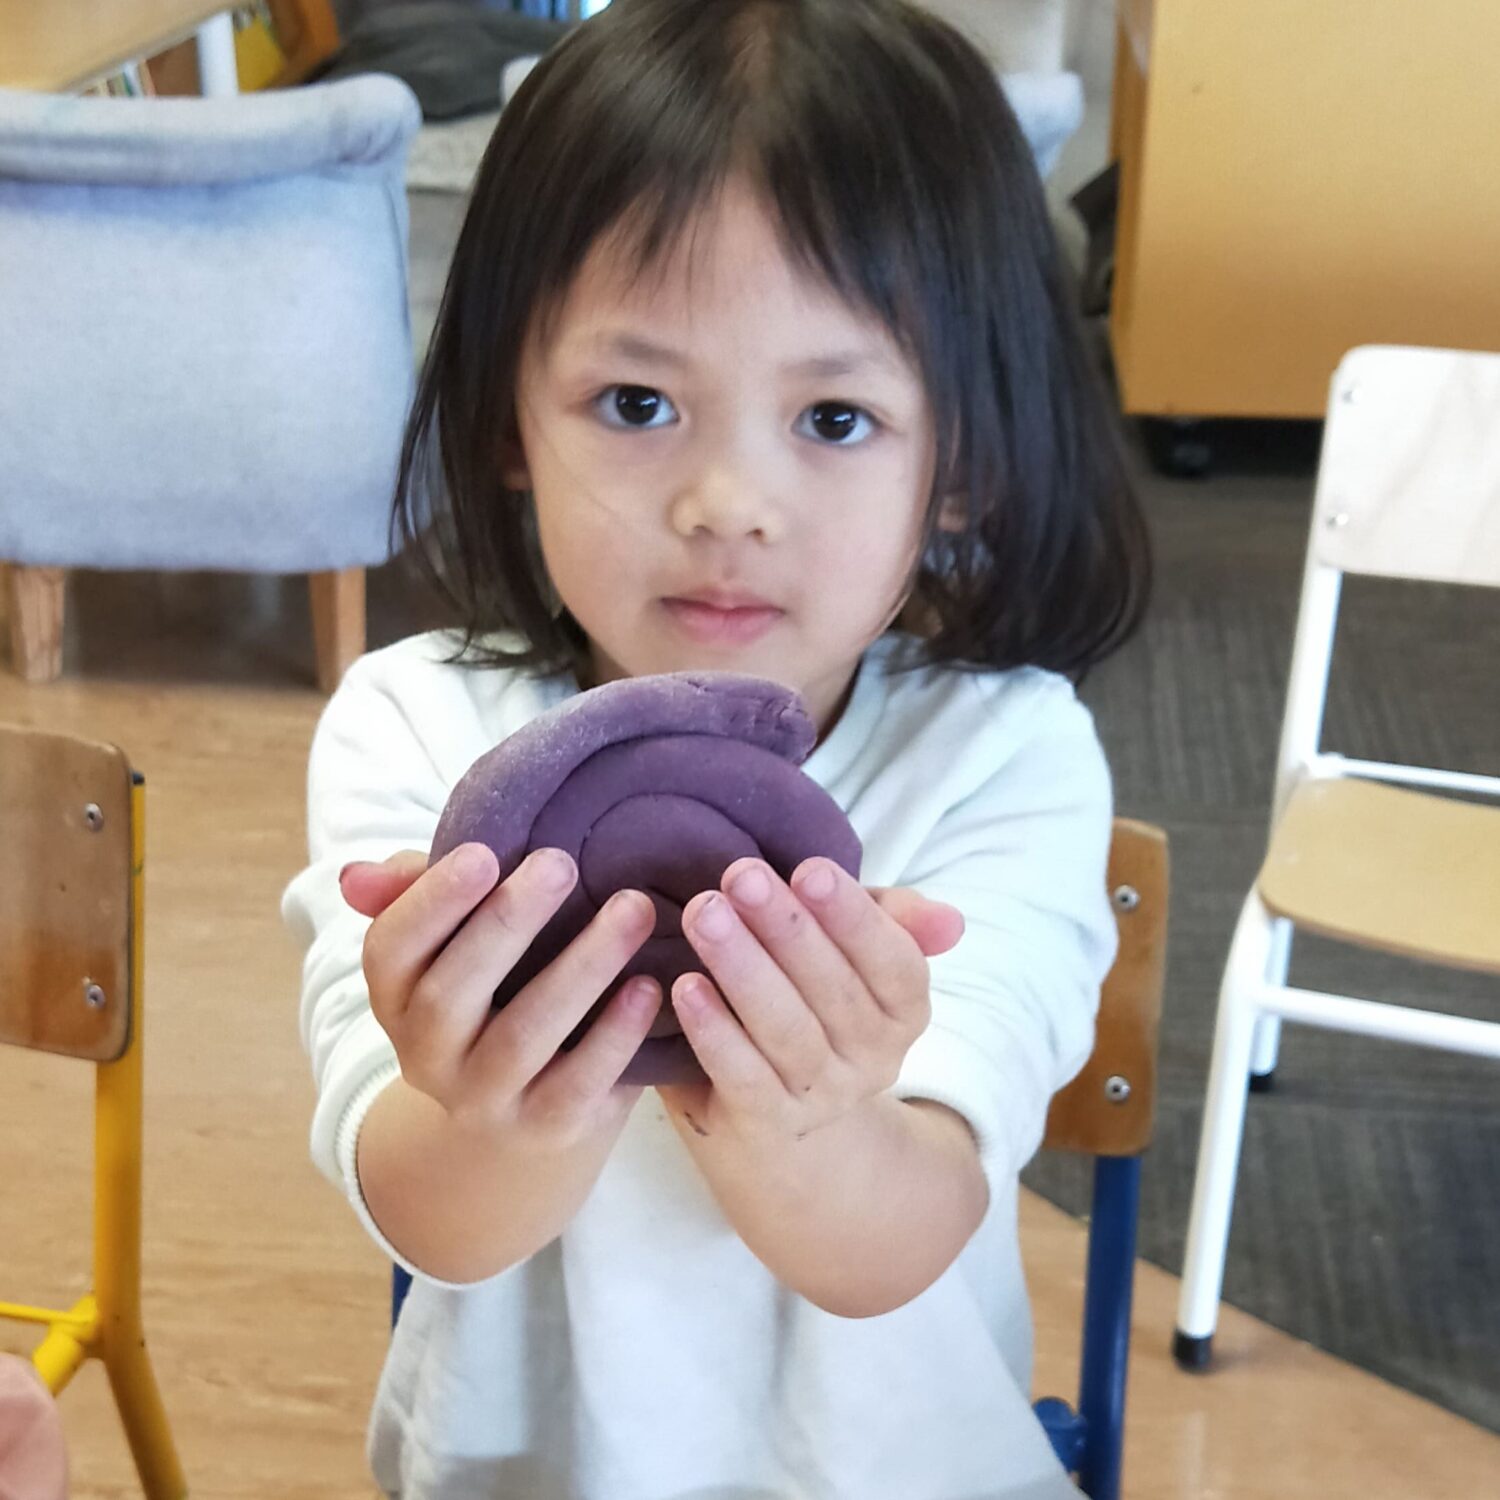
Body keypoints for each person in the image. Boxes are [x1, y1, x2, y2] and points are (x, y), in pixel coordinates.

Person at [281, 1, 1150, 1495]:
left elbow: (889, 1248)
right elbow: (437, 1227)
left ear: (965, 464)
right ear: (509, 422)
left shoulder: (1005, 757)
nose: (727, 500)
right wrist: (487, 1093)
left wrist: (810, 1113)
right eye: (636, 403)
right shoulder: (416, 728)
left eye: (834, 413)